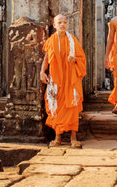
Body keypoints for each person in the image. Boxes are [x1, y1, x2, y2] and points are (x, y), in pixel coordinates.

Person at [40, 14, 86, 147]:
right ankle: (57, 137)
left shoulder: (73, 40)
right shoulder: (50, 41)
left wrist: (75, 60)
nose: (62, 25)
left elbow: (81, 58)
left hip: (70, 79)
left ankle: (73, 137)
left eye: (64, 22)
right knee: (56, 105)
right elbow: (46, 58)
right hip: (56, 79)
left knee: (72, 106)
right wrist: (42, 72)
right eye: (59, 22)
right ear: (54, 25)